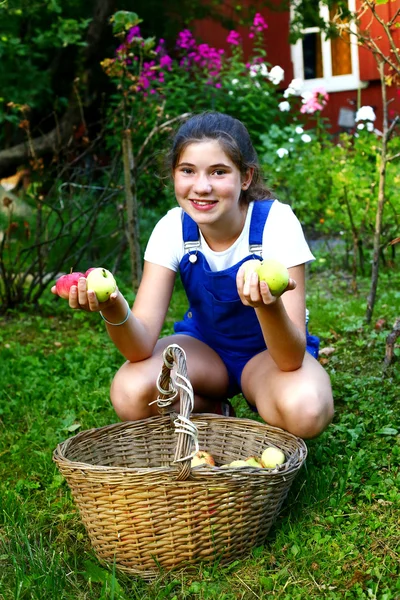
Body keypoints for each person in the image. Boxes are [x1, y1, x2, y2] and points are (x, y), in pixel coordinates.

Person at [55, 111, 334, 439]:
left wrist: (266, 304)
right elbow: (140, 347)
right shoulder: (173, 228)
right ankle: (214, 411)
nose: (202, 187)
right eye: (188, 171)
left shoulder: (276, 223)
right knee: (130, 394)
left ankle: (262, 405)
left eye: (218, 172)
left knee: (306, 411)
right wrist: (111, 304)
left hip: (268, 357)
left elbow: (289, 358)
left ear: (245, 178)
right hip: (205, 353)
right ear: (174, 175)